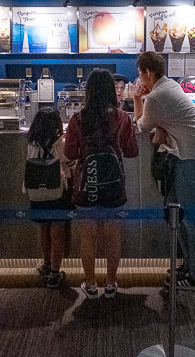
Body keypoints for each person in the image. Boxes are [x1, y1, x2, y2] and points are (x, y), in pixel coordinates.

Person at [133, 51, 195, 292]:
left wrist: (138, 98)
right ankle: (189, 267)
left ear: (148, 72)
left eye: (140, 75)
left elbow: (141, 126)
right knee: (180, 216)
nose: (140, 79)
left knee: (192, 219)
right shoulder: (170, 85)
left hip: (192, 160)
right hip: (191, 157)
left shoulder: (157, 95)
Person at [64, 69, 138, 300]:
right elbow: (132, 152)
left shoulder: (77, 119)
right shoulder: (122, 117)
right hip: (114, 185)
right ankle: (111, 283)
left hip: (87, 184)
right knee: (112, 235)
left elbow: (69, 152)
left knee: (88, 237)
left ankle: (91, 284)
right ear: (111, 90)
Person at [24, 107, 74, 289]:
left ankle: (46, 264)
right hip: (57, 191)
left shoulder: (31, 142)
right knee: (58, 231)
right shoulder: (60, 142)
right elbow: (68, 160)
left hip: (36, 192)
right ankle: (54, 272)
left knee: (44, 229)